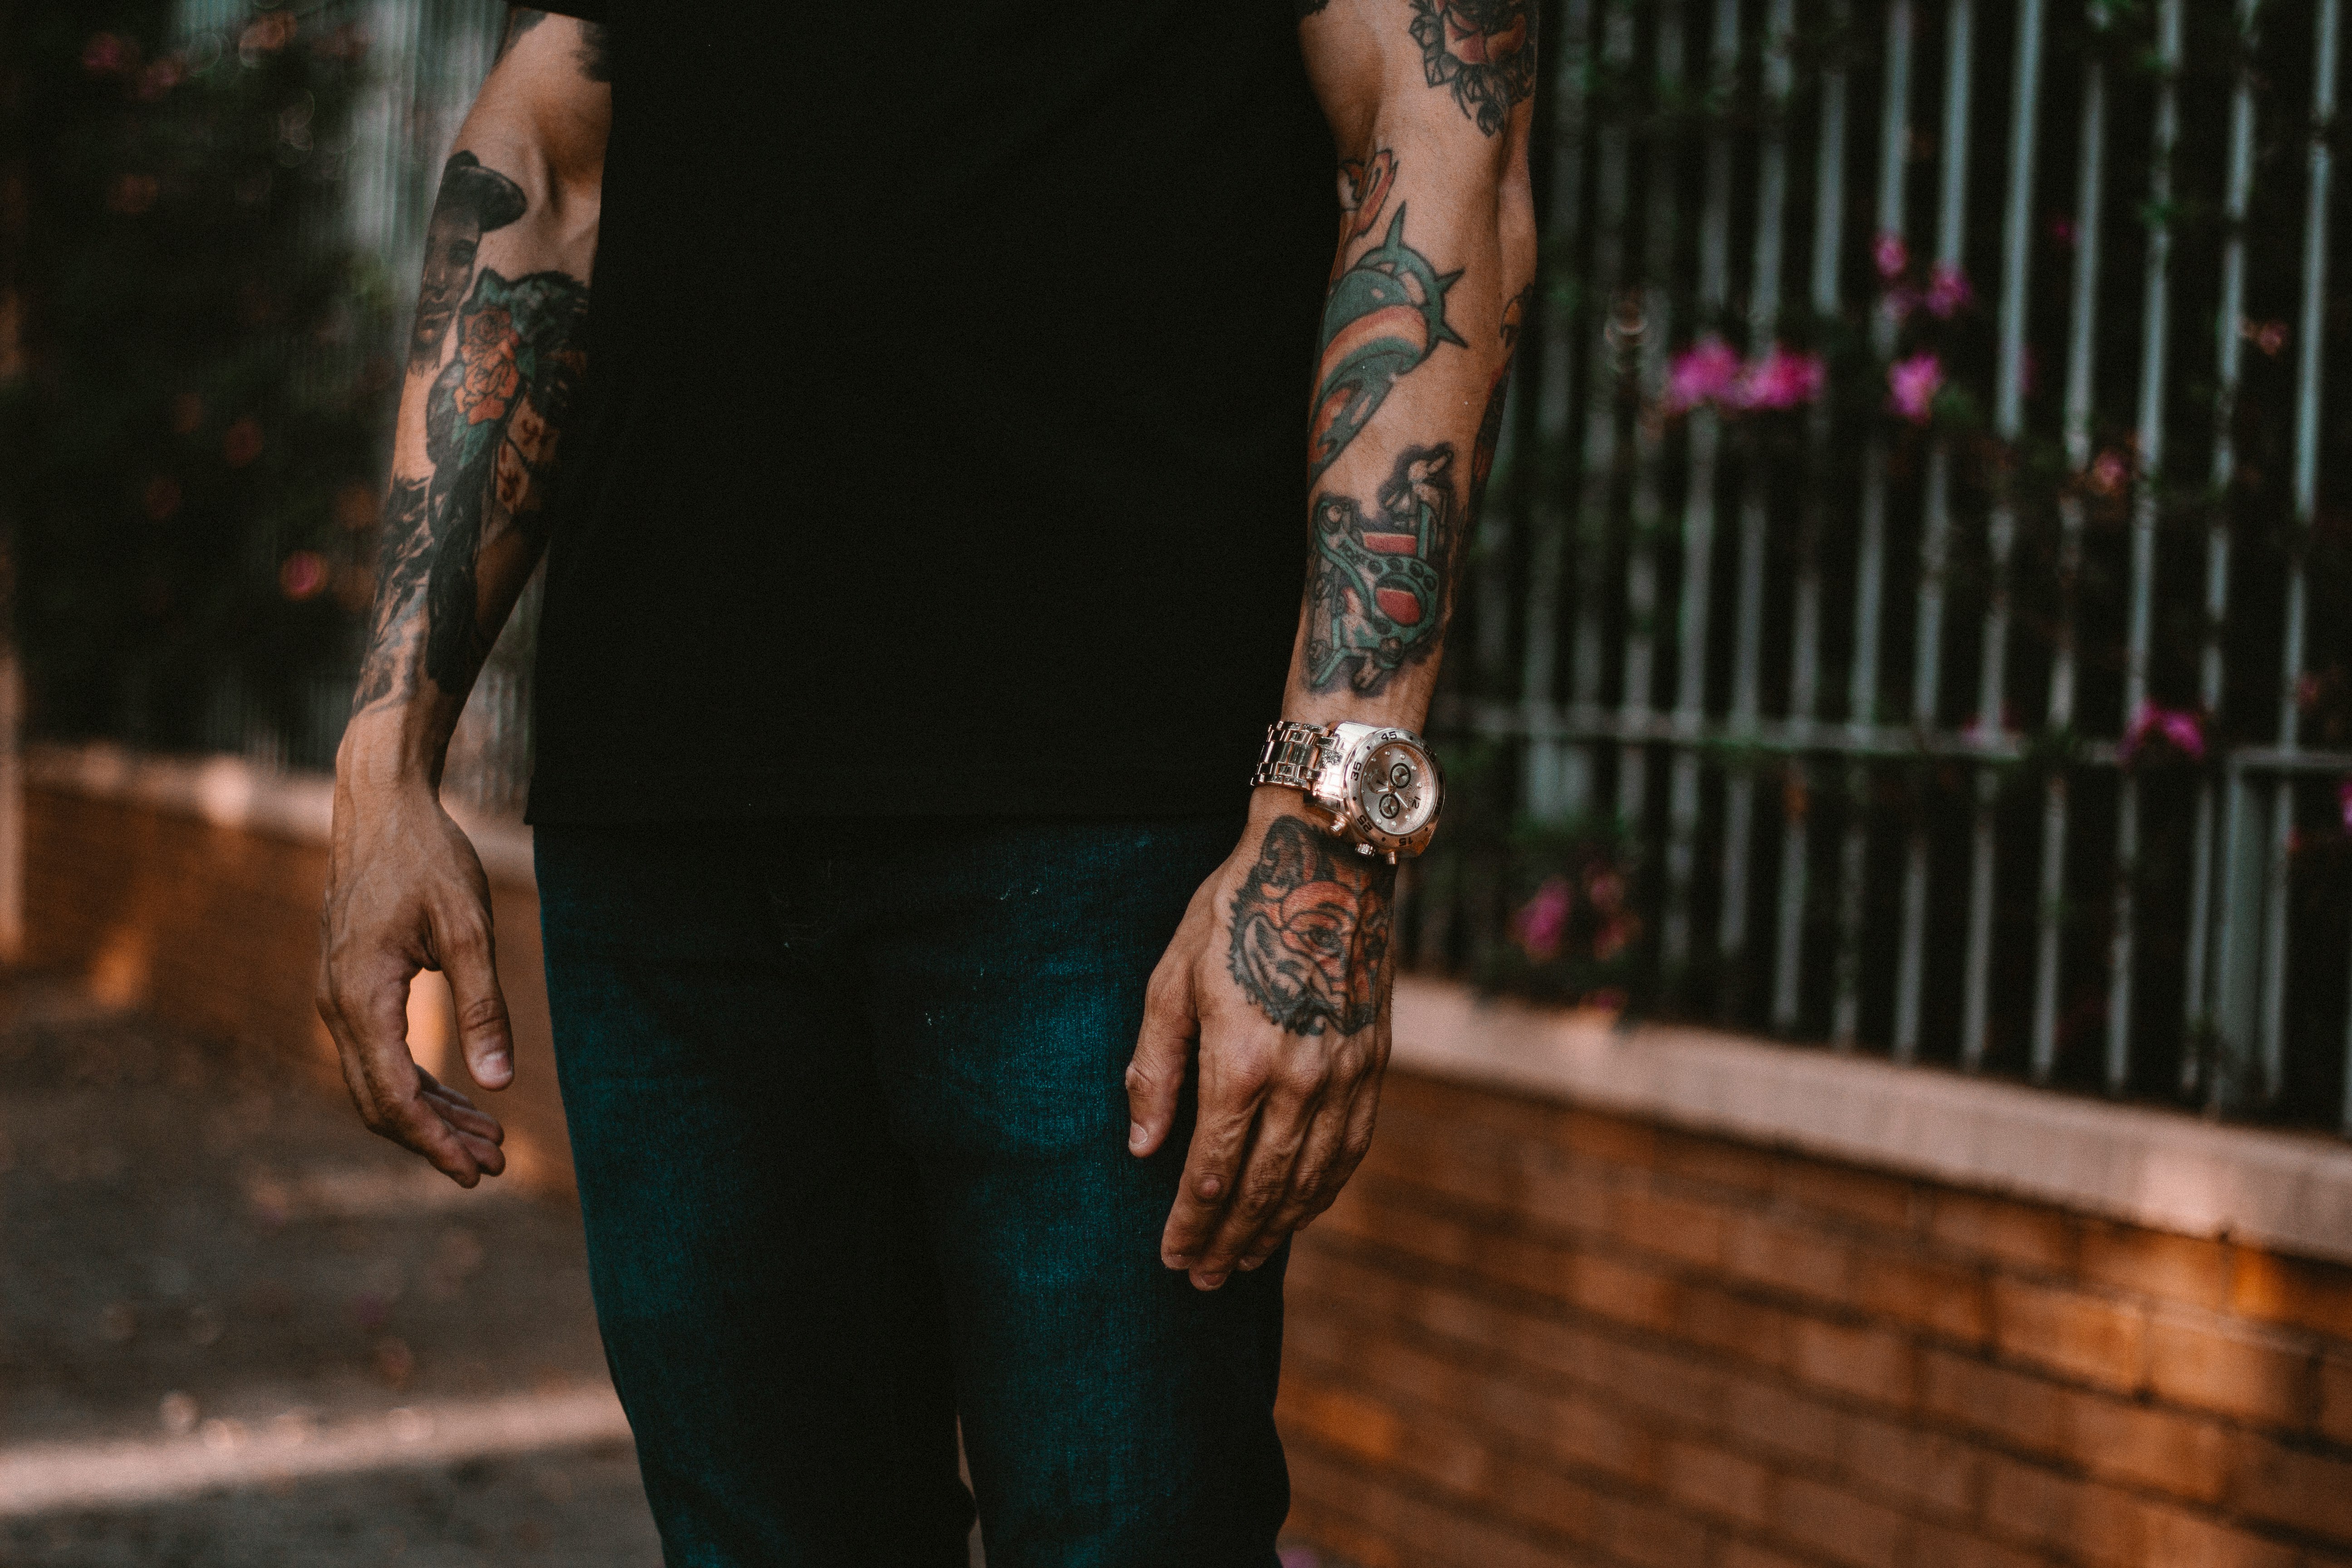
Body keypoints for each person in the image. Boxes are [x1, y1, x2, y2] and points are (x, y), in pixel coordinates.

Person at [316, 3, 1534, 1563]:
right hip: (671, 828)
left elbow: (1437, 139)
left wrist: (1331, 828)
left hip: (1099, 842)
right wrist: (383, 756)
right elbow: (550, 157)